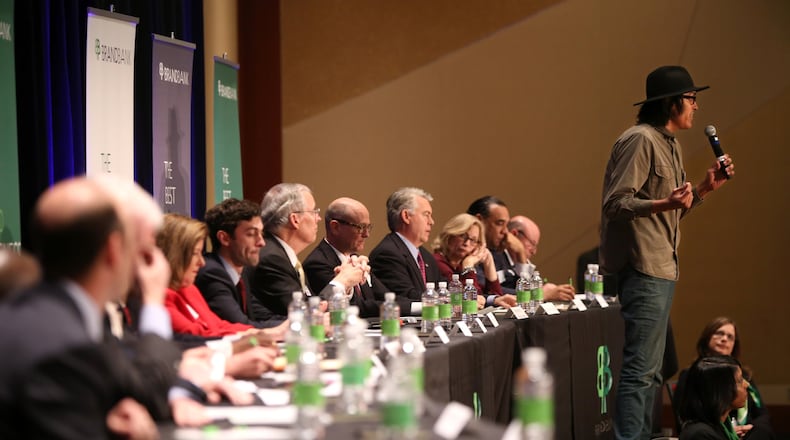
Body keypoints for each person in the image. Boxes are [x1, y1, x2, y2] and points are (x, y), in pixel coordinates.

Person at [600, 65, 735, 440]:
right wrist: (664, 203)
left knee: (652, 371)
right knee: (640, 370)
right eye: (691, 98)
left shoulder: (670, 144)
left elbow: (671, 210)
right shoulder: (640, 140)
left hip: (661, 266)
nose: (696, 106)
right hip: (642, 266)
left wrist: (705, 188)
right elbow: (615, 204)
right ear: (670, 103)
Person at [0, 177, 172, 438]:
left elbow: (132, 390)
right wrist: (154, 302)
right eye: (144, 250)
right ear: (113, 248)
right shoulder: (64, 348)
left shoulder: (50, 312)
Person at [249, 183, 365, 320]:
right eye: (313, 212)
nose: (318, 218)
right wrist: (342, 282)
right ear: (295, 220)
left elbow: (311, 304)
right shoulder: (272, 259)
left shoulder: (283, 256)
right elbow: (303, 315)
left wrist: (345, 283)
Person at [196, 198, 287, 333]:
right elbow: (240, 326)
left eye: (261, 233)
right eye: (251, 234)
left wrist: (301, 321)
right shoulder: (211, 273)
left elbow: (261, 315)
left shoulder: (241, 273)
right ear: (225, 238)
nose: (261, 242)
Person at [675, 318, 774, 440]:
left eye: (730, 337)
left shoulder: (744, 374)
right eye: (719, 333)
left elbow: (762, 414)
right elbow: (685, 415)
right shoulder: (693, 374)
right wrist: (725, 432)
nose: (724, 339)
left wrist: (749, 429)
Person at [158, 213, 255, 338]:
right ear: (175, 256)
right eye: (195, 253)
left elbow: (219, 325)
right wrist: (251, 338)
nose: (202, 262)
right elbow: (198, 335)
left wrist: (260, 333)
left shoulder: (189, 289)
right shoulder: (159, 298)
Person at [303, 197, 392, 318]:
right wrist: (391, 307)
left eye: (368, 227)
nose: (366, 234)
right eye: (360, 227)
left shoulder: (356, 259)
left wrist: (414, 305)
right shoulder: (317, 263)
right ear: (335, 227)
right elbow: (353, 308)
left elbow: (387, 297)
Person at [370, 187, 444, 316]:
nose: (431, 222)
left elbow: (443, 287)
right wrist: (447, 301)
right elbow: (406, 296)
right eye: (426, 215)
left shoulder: (426, 256)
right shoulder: (387, 254)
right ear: (406, 216)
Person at [432, 213, 515, 308]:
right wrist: (468, 266)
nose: (467, 243)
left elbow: (492, 297)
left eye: (473, 240)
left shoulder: (460, 265)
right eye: (462, 236)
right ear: (449, 236)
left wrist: (489, 263)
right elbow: (471, 301)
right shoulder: (437, 262)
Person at [676, 356, 749, 440]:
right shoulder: (700, 435)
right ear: (720, 390)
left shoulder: (723, 428)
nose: (746, 384)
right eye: (739, 381)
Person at [507, 215, 575, 301]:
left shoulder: (521, 260)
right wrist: (541, 294)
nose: (534, 252)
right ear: (514, 235)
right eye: (532, 244)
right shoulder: (497, 258)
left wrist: (548, 290)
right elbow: (499, 293)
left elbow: (527, 290)